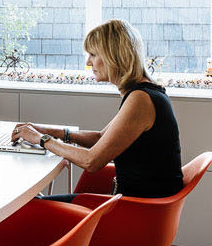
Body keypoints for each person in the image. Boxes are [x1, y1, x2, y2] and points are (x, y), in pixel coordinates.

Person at [12, 20, 184, 198]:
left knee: (24, 206)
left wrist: (41, 139)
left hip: (133, 212)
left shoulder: (141, 99)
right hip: (133, 204)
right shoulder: (145, 93)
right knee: (30, 202)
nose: (88, 62)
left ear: (114, 57)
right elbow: (100, 138)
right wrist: (42, 130)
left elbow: (91, 161)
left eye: (93, 55)